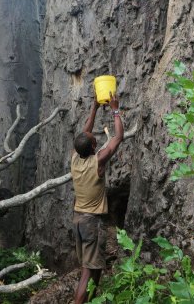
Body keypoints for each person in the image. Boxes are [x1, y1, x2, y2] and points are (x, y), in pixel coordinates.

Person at [71, 91, 124, 304]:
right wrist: (115, 109)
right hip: (92, 222)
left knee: (95, 267)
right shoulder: (98, 162)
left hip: (78, 219)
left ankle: (90, 300)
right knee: (86, 271)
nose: (95, 139)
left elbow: (84, 133)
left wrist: (93, 107)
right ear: (94, 148)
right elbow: (118, 137)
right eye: (95, 141)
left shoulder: (75, 159)